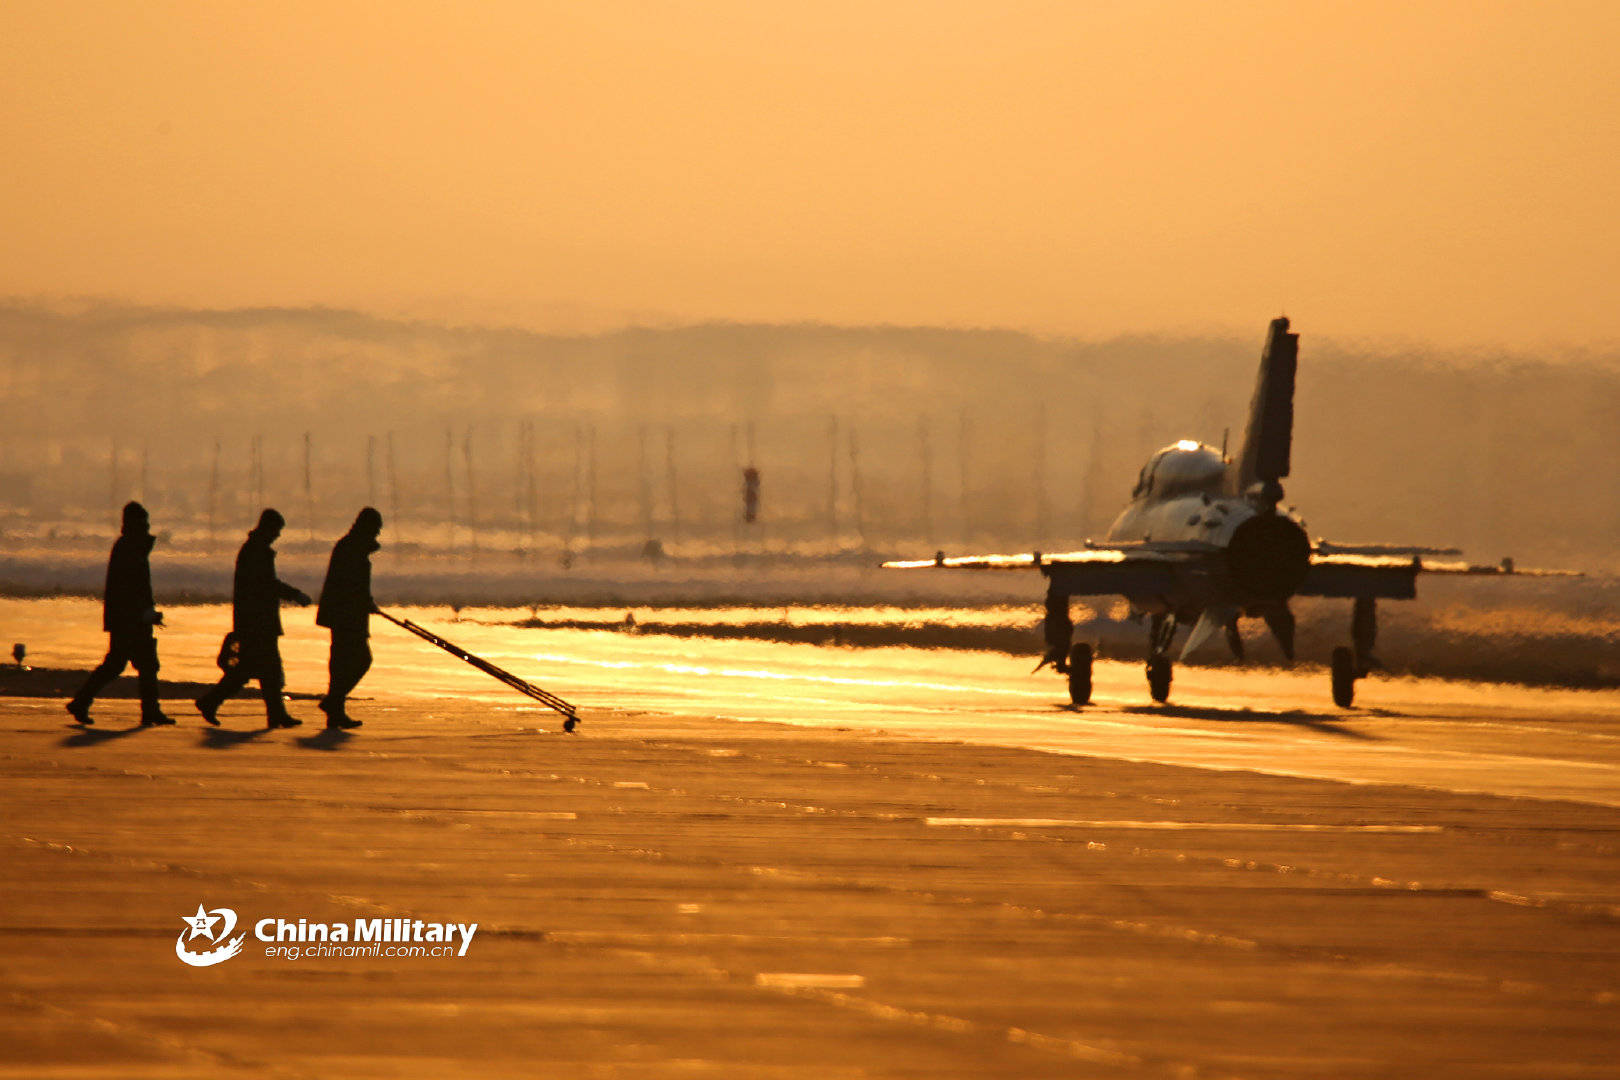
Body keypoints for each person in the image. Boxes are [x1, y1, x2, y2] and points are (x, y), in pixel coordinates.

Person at [195, 509, 312, 729]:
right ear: (268, 528)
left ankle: (214, 702)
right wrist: (294, 594)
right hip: (258, 622)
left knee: (258, 671)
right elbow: (266, 584)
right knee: (265, 671)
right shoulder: (256, 552)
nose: (278, 535)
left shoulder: (254, 549)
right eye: (276, 530)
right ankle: (212, 702)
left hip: (254, 620)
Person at [68, 501, 171, 726]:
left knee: (124, 664)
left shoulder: (129, 546)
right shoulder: (130, 548)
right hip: (130, 619)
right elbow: (132, 588)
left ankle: (82, 702)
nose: (147, 526)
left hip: (126, 618)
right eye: (143, 521)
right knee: (141, 665)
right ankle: (149, 711)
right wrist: (145, 613)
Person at [316, 507, 382, 729]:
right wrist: (365, 602)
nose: (378, 533)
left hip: (346, 615)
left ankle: (335, 710)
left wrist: (366, 602)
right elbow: (350, 585)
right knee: (361, 660)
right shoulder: (352, 548)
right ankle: (334, 701)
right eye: (376, 529)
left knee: (343, 664)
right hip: (346, 616)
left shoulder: (352, 546)